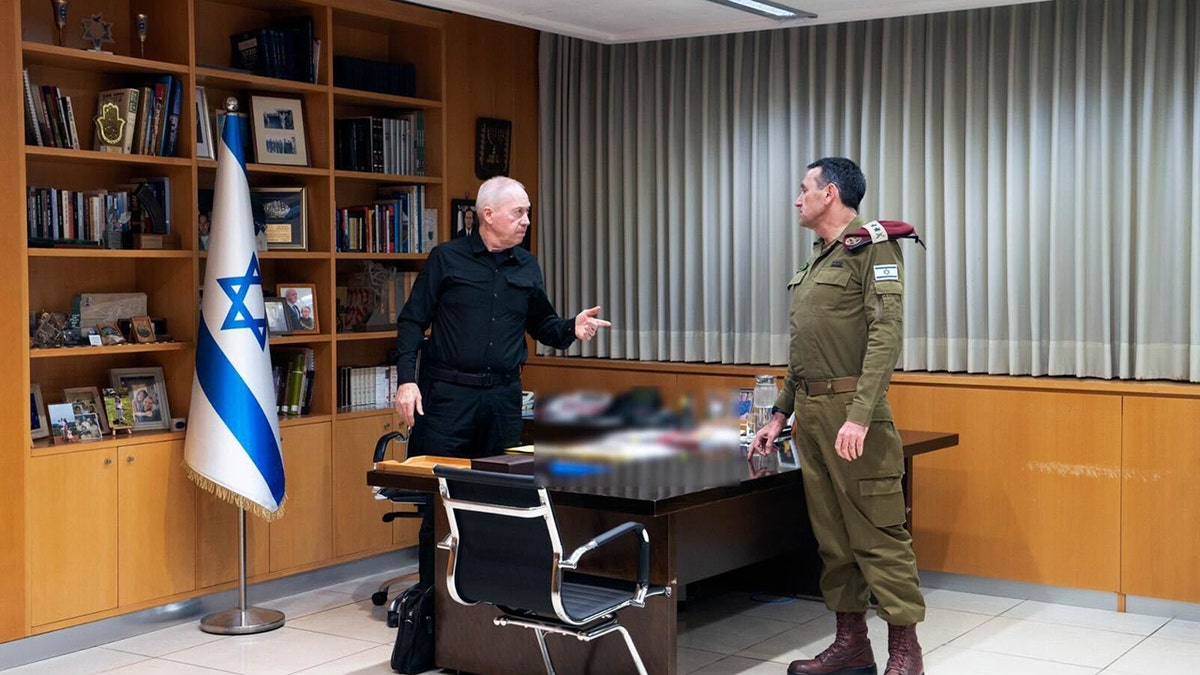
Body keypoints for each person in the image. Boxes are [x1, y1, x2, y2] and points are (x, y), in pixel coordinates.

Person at [751, 157, 924, 675]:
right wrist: (781, 412)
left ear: (829, 193)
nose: (797, 198)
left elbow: (885, 335)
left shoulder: (874, 247)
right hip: (813, 416)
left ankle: (905, 654)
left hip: (855, 417)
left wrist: (860, 414)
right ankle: (850, 644)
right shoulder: (818, 260)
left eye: (804, 188)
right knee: (833, 538)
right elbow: (804, 350)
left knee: (878, 535)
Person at [394, 175, 610, 588]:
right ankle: (432, 602)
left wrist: (572, 327)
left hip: (502, 401)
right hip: (448, 400)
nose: (527, 220)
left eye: (527, 212)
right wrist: (407, 381)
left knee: (502, 499)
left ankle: (490, 595)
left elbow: (543, 324)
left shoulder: (526, 266)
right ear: (487, 215)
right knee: (441, 502)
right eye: (519, 212)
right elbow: (411, 321)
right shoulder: (447, 258)